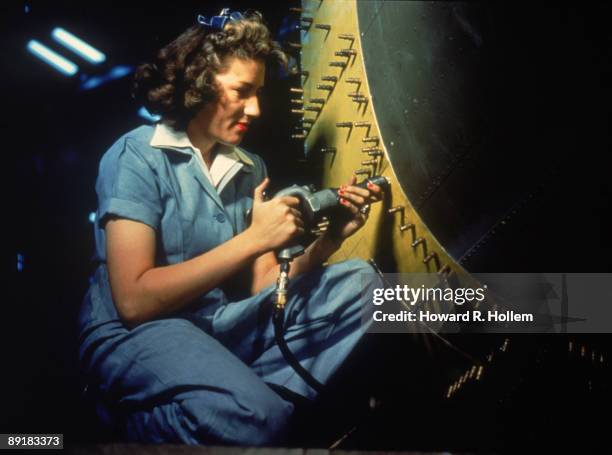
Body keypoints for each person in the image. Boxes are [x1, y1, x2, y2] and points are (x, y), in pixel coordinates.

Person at [78, 9, 383, 446]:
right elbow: (133, 301)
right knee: (257, 418)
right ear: (199, 82)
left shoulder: (248, 168)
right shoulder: (136, 156)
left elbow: (264, 287)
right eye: (242, 91)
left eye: (258, 93)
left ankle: (256, 416)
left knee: (365, 284)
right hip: (139, 334)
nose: (256, 109)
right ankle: (142, 429)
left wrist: (330, 239)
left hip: (215, 326)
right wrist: (254, 238)